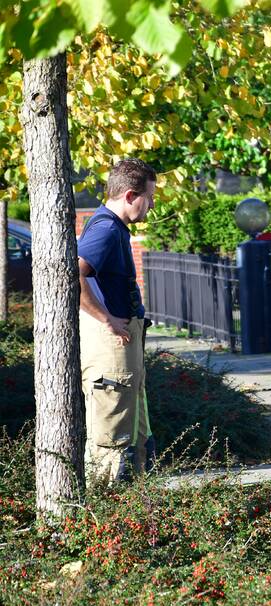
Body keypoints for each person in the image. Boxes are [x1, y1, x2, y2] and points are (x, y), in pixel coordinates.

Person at [78, 158, 158, 488]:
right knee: (111, 432)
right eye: (148, 198)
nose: (151, 206)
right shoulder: (106, 229)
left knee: (134, 427)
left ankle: (135, 507)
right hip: (110, 348)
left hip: (123, 345)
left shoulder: (112, 228)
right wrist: (107, 319)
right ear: (129, 195)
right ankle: (108, 512)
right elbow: (73, 274)